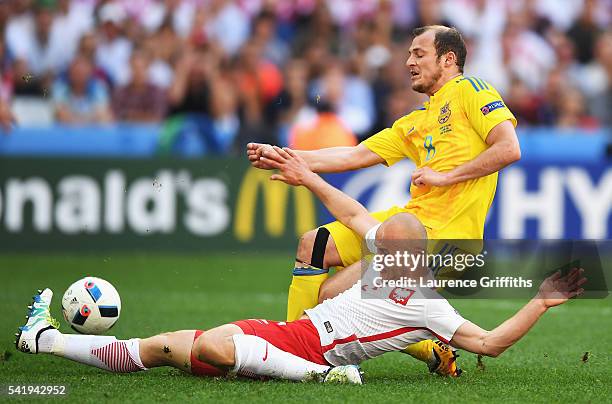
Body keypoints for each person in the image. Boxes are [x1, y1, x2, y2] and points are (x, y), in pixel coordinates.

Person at [15, 146, 585, 384]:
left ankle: (323, 376)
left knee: (213, 346)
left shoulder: (431, 305)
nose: (381, 248)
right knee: (164, 348)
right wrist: (304, 174)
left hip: (310, 349)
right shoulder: (390, 259)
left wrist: (539, 300)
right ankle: (42, 341)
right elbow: (353, 209)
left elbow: (487, 343)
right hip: (291, 334)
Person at [246, 25, 521, 372]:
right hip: (408, 225)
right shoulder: (416, 120)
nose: (408, 61)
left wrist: (446, 176)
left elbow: (509, 148)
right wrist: (286, 156)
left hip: (446, 240)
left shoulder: (472, 90)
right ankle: (294, 348)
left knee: (332, 297)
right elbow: (352, 156)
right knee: (314, 244)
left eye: (419, 53)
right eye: (409, 54)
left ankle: (295, 358)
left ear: (448, 59)